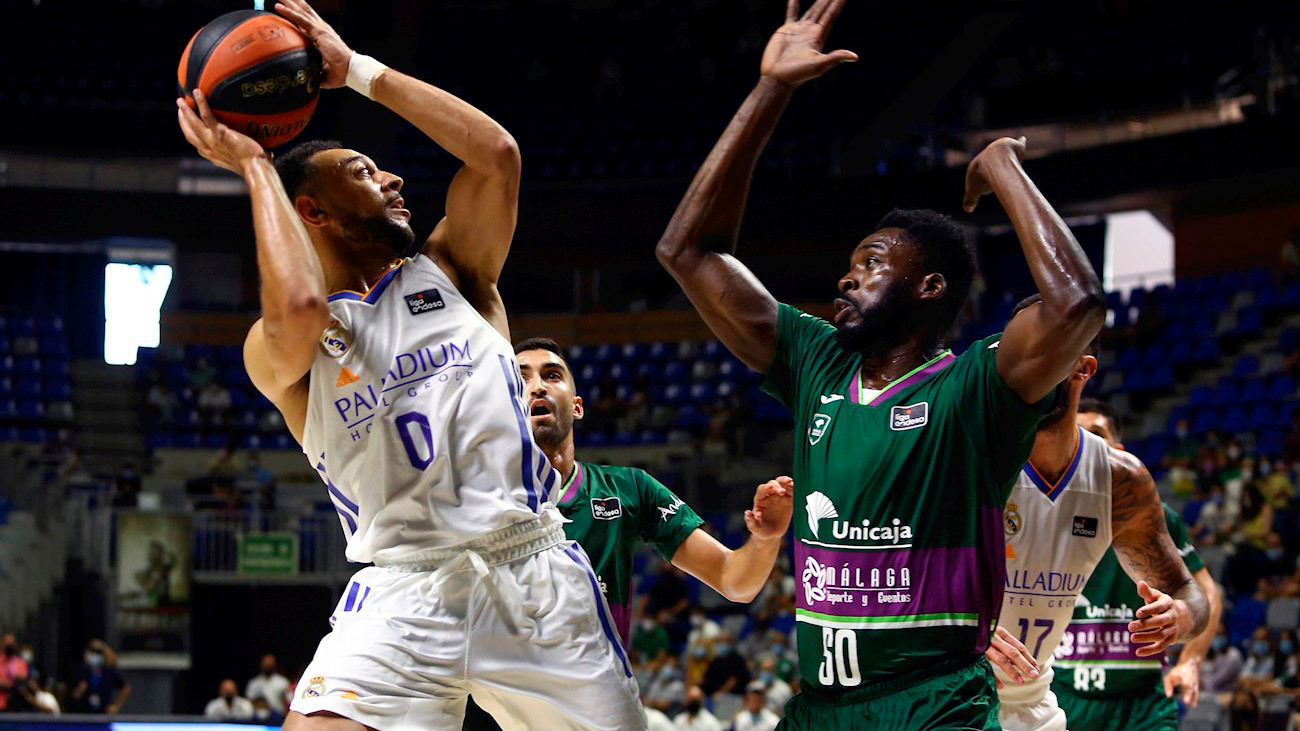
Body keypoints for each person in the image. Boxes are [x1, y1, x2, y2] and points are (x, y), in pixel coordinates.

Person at [175, 0, 643, 728]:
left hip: (532, 574)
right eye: (366, 171)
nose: (394, 179)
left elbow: (497, 156)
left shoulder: (454, 269)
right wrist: (255, 166)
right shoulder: (285, 344)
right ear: (316, 212)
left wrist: (357, 71)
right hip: (402, 590)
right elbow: (298, 305)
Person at [655, 0, 1106, 726]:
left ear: (930, 286)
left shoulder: (975, 387)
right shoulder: (817, 361)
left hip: (933, 704)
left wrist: (1003, 169)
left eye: (869, 263)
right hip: (821, 706)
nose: (846, 278)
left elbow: (1077, 303)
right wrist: (771, 90)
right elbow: (687, 253)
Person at [987, 327, 1209, 731]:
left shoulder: (1118, 480)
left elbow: (1190, 592)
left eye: (1048, 354)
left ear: (1083, 368)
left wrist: (1179, 616)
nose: (1032, 369)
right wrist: (958, 628)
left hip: (1034, 702)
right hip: (955, 692)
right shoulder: (974, 455)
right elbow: (894, 568)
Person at [515, 337, 794, 645]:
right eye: (521, 378)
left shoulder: (629, 488)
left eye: (552, 375)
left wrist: (766, 539)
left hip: (597, 688)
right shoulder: (472, 497)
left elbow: (734, 581)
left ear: (578, 406)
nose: (538, 386)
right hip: (498, 692)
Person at [1075, 398, 1223, 713]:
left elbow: (1207, 592)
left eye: (1098, 435)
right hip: (1061, 694)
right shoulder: (1036, 510)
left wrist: (1191, 660)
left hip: (1142, 705)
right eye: (1077, 435)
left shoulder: (1156, 515)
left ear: (1120, 452)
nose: (1087, 446)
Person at [70, 639, 130, 714]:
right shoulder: (81, 671)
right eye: (92, 652)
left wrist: (116, 706)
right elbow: (73, 696)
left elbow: (125, 688)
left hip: (104, 714)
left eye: (98, 653)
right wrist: (80, 690)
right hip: (84, 714)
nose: (95, 655)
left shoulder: (108, 672)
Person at [1202, 623, 1244, 695]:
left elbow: (1217, 680)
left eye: (1220, 634)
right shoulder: (1206, 653)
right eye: (1214, 634)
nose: (1217, 637)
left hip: (1226, 696)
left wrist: (1199, 682)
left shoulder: (1233, 656)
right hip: (1205, 695)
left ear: (1226, 636)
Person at [0, 634, 28, 712]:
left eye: (11, 644)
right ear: (2, 645)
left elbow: (22, 681)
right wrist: (13, 685)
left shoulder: (21, 663)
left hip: (16, 706)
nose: (9, 647)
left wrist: (6, 684)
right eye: (7, 644)